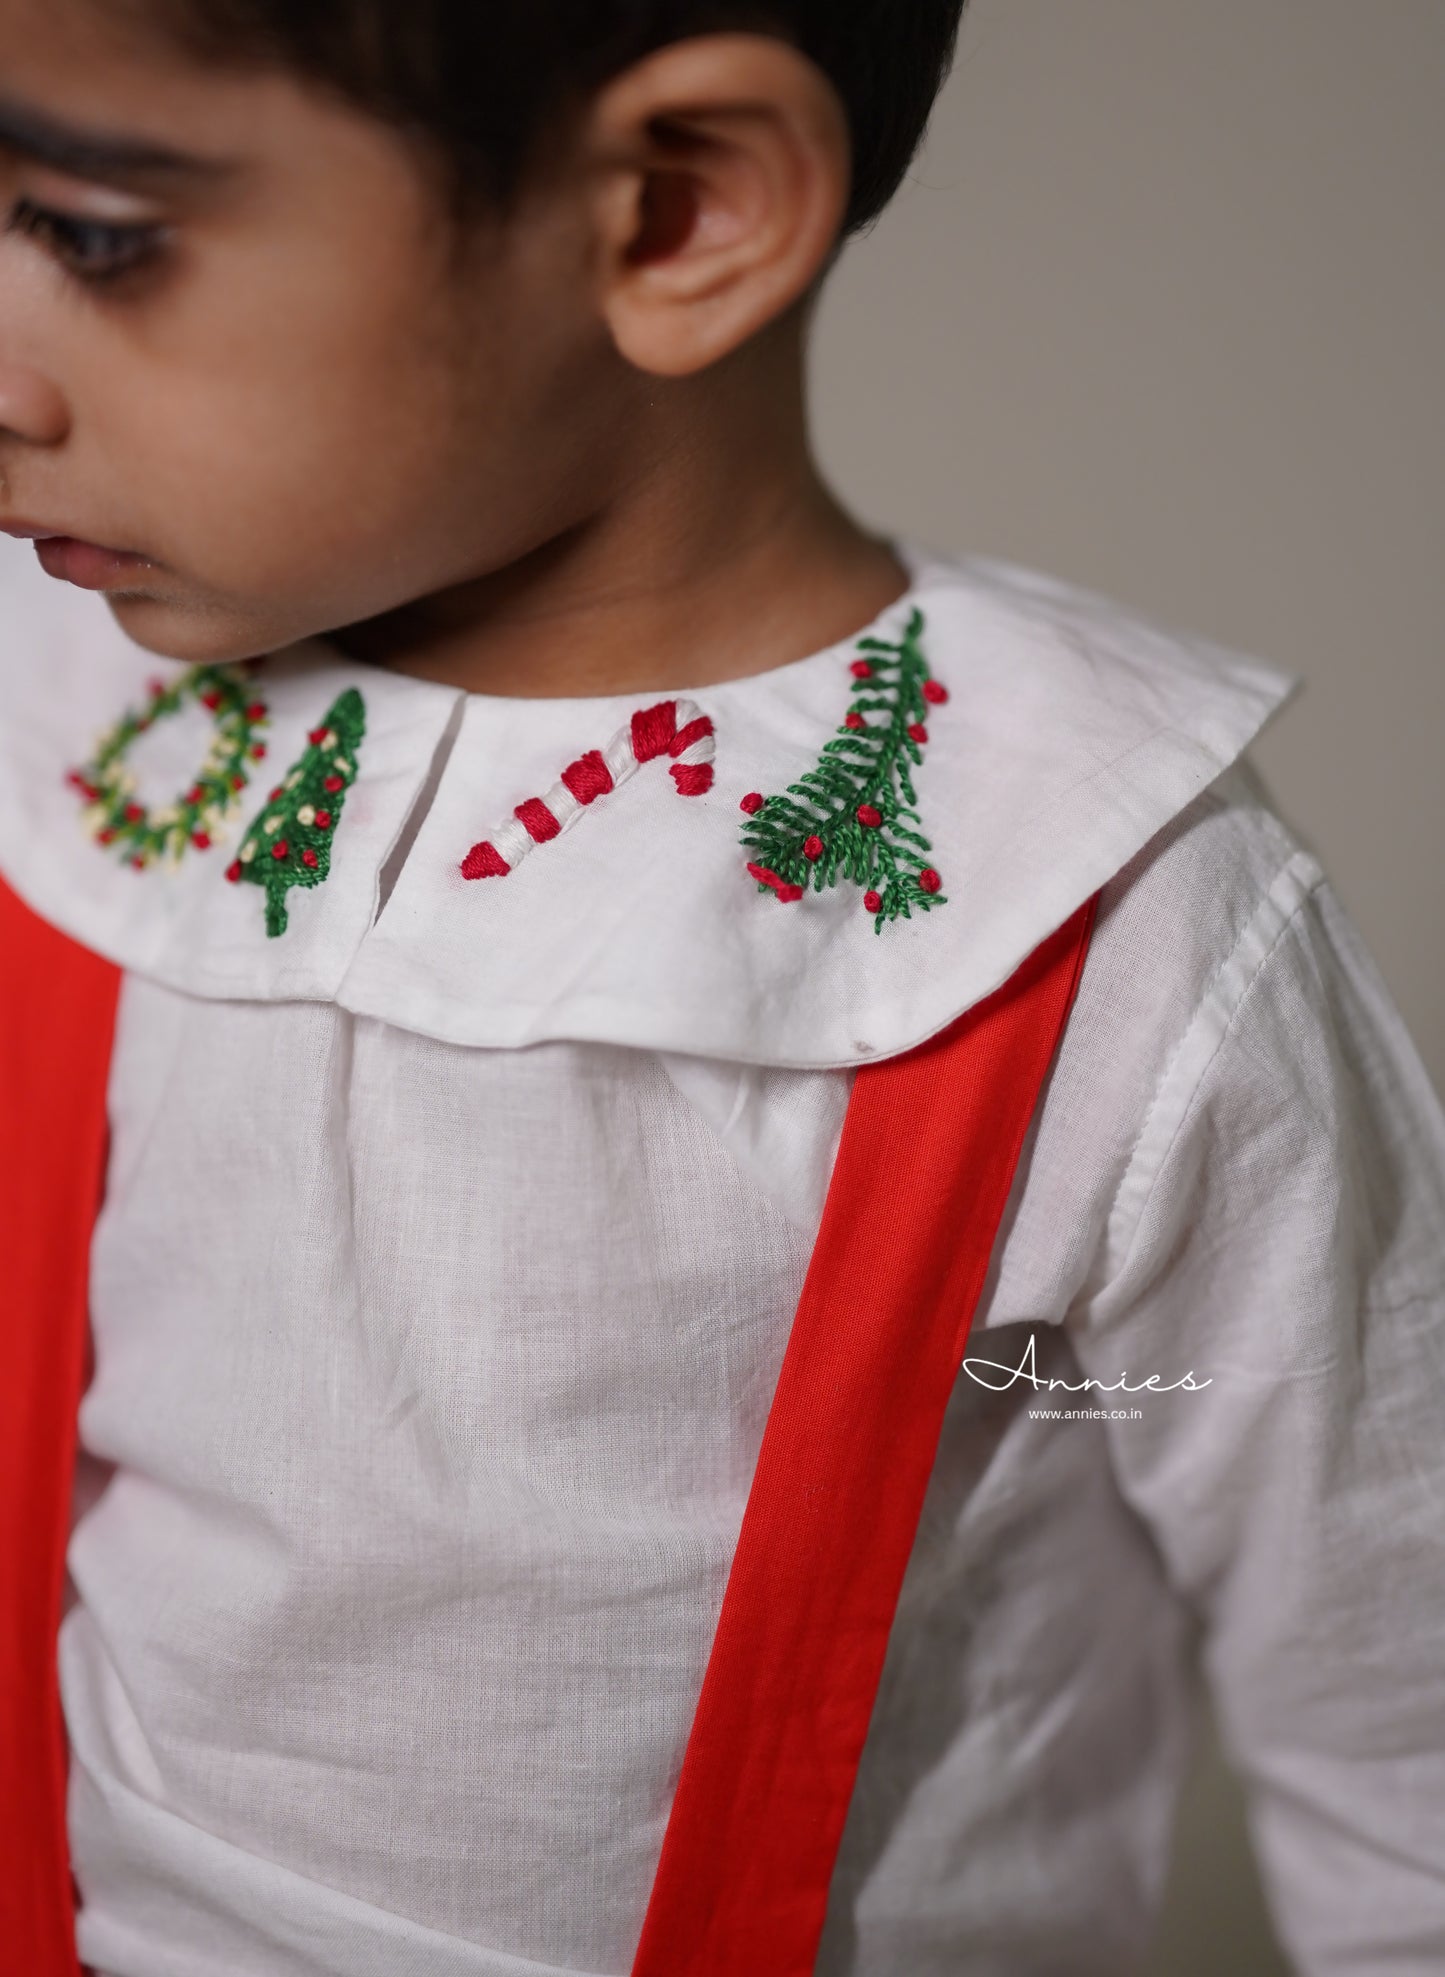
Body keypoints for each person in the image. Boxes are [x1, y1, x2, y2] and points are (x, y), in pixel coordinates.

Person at [1, 2, 1442, 1973]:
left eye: (89, 232)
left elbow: (1401, 1715)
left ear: (676, 214)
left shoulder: (1090, 912)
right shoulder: (70, 726)